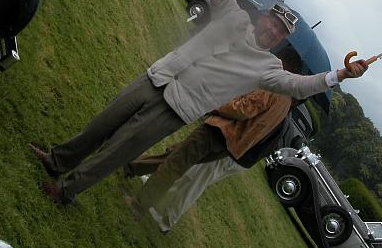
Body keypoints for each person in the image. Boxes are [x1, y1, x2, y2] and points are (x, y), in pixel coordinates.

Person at [28, 0, 368, 205]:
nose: (272, 30)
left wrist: (338, 75)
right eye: (273, 22)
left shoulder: (268, 69)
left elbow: (299, 86)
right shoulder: (232, 16)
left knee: (121, 148)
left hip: (178, 106)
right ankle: (59, 160)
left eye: (280, 31)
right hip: (160, 75)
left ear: (281, 39)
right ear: (264, 16)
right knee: (103, 123)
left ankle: (68, 190)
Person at [123, 48, 301, 218]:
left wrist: (215, 103)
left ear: (284, 65)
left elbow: (243, 109)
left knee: (175, 163)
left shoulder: (274, 87)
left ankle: (139, 205)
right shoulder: (286, 102)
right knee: (176, 154)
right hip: (231, 145)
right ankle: (133, 167)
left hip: (221, 131)